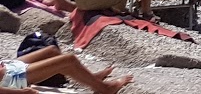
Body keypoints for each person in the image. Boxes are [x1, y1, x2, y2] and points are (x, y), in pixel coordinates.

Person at [2, 39, 133, 94]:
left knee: (52, 50)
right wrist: (19, 92)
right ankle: (105, 88)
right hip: (11, 79)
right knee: (68, 60)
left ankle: (90, 77)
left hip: (8, 67)